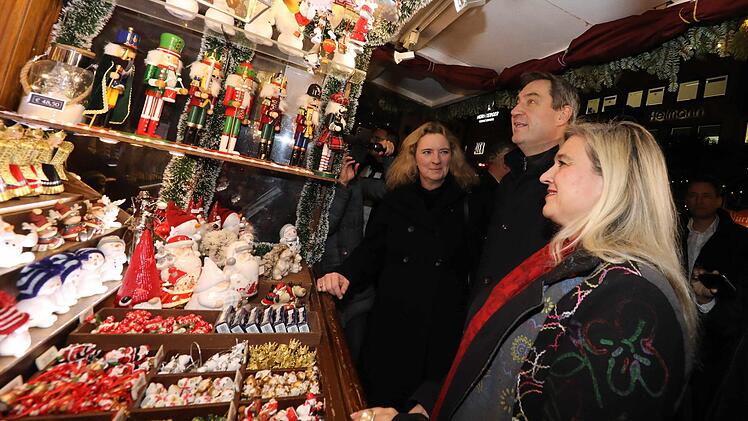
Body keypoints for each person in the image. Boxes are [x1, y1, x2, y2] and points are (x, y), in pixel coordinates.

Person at [352, 121, 699, 421]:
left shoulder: (633, 299)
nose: (547, 175)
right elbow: (497, 360)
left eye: (562, 163)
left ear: (612, 181)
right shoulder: (570, 261)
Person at [317, 122, 481, 409]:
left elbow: (475, 265)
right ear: (414, 156)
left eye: (443, 152)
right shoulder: (395, 200)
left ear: (452, 156)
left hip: (439, 328)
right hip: (392, 322)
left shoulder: (468, 203)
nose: (436, 160)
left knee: (418, 407)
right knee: (377, 401)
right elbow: (370, 251)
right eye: (427, 152)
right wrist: (344, 274)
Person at [469, 72, 579, 312]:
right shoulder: (509, 181)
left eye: (531, 101)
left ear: (562, 115)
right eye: (517, 102)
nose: (515, 110)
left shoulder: (572, 185)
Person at [319, 129, 393, 366]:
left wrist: (387, 158)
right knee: (327, 358)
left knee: (351, 361)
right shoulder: (320, 182)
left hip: (357, 290)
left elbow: (392, 189)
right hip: (327, 281)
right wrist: (340, 186)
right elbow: (323, 230)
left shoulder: (358, 183)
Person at [680, 176, 748, 420]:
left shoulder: (739, 240)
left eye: (706, 195)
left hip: (717, 344)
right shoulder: (670, 233)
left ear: (719, 200)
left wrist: (708, 301)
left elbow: (739, 301)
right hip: (674, 331)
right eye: (693, 195)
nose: (699, 201)